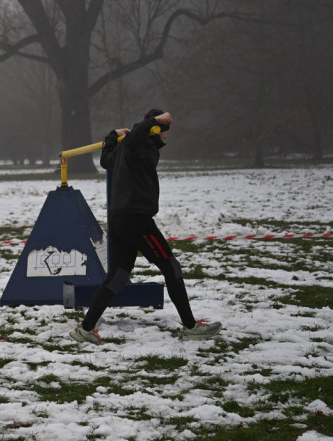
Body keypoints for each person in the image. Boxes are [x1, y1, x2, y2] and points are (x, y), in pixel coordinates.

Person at [70, 109, 222, 344]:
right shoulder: (135, 145)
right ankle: (191, 327)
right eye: (165, 130)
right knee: (172, 268)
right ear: (156, 129)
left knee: (118, 276)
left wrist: (112, 136)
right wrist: (153, 122)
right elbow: (132, 140)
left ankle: (86, 329)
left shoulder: (130, 148)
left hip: (121, 220)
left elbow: (105, 160)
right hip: (136, 221)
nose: (167, 136)